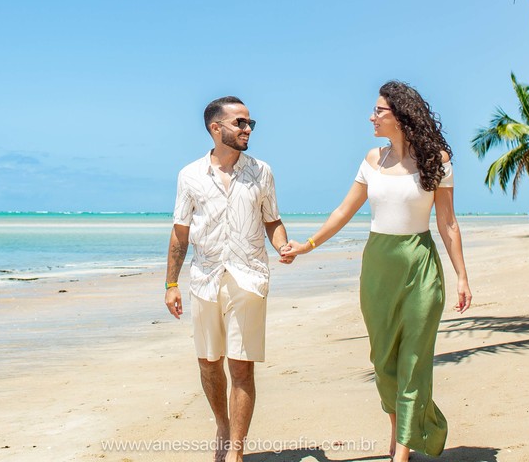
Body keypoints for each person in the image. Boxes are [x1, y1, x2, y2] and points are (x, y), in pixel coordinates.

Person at [281, 81, 472, 462]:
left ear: (401, 116)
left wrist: (462, 277)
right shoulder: (372, 160)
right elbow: (342, 212)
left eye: (379, 111)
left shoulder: (437, 160)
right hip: (378, 267)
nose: (372, 117)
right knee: (383, 362)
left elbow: (448, 223)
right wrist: (307, 245)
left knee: (414, 359)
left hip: (420, 264)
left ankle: (401, 452)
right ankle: (403, 433)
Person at [165, 96, 292, 462]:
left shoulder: (261, 171)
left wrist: (282, 246)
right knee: (208, 362)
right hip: (204, 277)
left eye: (249, 123)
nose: (248, 129)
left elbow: (273, 220)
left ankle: (235, 451)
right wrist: (170, 285)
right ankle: (222, 424)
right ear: (215, 128)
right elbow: (179, 233)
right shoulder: (189, 175)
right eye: (240, 123)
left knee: (241, 365)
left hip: (249, 276)